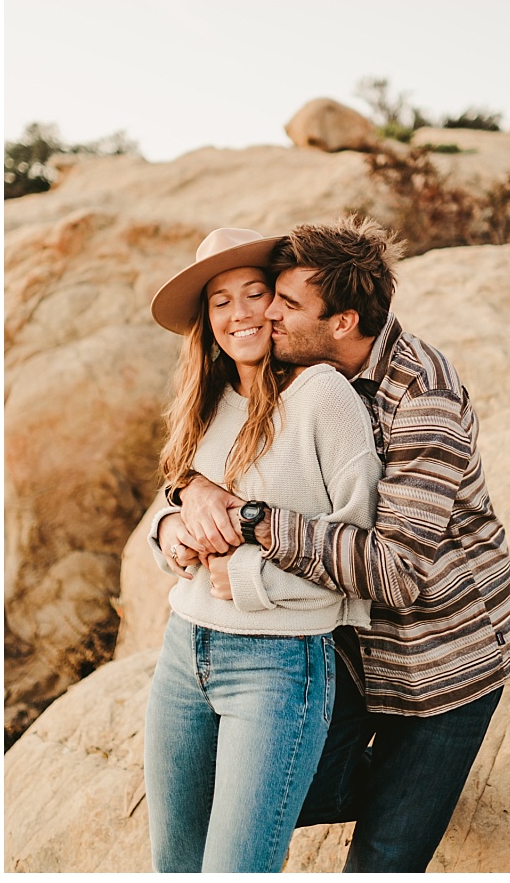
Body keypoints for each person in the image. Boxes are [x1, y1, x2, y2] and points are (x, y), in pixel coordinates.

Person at [165, 216, 510, 872]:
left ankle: (417, 789)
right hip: (350, 649)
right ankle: (396, 786)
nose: (267, 315)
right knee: (279, 794)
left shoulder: (424, 398)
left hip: (438, 660)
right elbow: (217, 445)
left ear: (343, 323)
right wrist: (189, 490)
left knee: (385, 854)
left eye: (286, 304)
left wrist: (254, 522)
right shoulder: (301, 365)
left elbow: (397, 572)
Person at [142, 228, 383, 872]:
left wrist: (248, 576)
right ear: (207, 319)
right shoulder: (208, 398)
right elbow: (169, 500)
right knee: (175, 864)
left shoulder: (322, 397)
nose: (242, 313)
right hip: (183, 652)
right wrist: (170, 529)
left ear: (278, 303)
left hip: (278, 665)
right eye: (220, 301)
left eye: (255, 293)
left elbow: (364, 550)